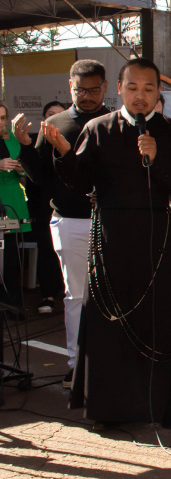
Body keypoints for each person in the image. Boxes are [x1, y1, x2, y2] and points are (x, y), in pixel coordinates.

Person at [46, 58, 171, 430]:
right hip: (112, 240)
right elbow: (81, 182)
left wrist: (157, 158)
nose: (140, 96)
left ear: (156, 93)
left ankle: (163, 406)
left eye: (149, 89)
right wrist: (65, 153)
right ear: (120, 89)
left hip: (160, 239)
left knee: (160, 321)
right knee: (110, 324)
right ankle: (108, 409)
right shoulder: (99, 129)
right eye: (133, 88)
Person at [14, 61, 112, 387]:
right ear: (69, 86)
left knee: (113, 295)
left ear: (105, 87)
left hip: (114, 223)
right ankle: (77, 363)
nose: (86, 95)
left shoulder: (117, 122)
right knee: (75, 297)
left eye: (93, 89)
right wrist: (27, 148)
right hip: (70, 222)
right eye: (79, 89)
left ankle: (113, 364)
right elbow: (41, 177)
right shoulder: (54, 124)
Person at [25, 101, 66, 314]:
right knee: (47, 249)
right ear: (44, 119)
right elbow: (34, 179)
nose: (55, 119)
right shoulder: (36, 143)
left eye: (60, 115)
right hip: (45, 207)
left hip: (71, 208)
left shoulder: (75, 137)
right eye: (51, 115)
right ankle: (47, 295)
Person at [0, 102, 30, 317]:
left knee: (10, 254)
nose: (0, 122)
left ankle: (12, 303)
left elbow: (24, 178)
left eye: (2, 118)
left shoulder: (12, 138)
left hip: (11, 204)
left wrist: (22, 169)